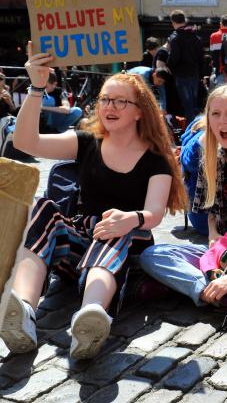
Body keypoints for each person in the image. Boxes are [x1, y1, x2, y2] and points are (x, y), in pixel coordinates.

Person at [0, 42, 186, 360]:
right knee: (44, 208)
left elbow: (154, 212)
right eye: (105, 99)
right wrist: (37, 87)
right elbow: (25, 141)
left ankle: (91, 317)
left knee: (115, 228)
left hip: (125, 246)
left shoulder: (156, 159)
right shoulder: (86, 142)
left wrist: (130, 218)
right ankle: (24, 312)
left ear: (140, 111)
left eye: (120, 101)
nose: (109, 106)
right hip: (79, 244)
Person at [140, 85, 227, 335]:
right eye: (215, 114)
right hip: (222, 253)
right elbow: (212, 212)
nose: (222, 121)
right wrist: (213, 236)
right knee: (152, 255)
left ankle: (204, 288)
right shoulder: (212, 159)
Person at [167, 10, 204, 123]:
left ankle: (191, 128)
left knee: (187, 104)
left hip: (181, 74)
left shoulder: (175, 38)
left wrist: (169, 66)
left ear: (173, 22)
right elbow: (201, 58)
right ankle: (198, 126)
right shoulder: (196, 37)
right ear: (185, 20)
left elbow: (174, 58)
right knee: (194, 103)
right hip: (194, 73)